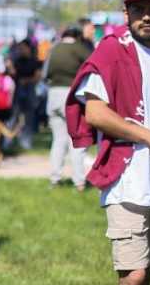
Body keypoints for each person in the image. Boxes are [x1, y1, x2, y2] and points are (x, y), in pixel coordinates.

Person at [66, 0, 150, 285]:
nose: (146, 16)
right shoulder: (111, 51)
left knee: (147, 273)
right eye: (138, 9)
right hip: (128, 178)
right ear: (126, 13)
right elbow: (95, 113)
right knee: (133, 276)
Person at [44, 26, 92, 191]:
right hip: (71, 94)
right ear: (78, 37)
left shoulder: (54, 48)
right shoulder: (78, 48)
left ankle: (54, 179)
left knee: (58, 139)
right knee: (77, 139)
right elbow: (93, 65)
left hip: (53, 95)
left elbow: (45, 74)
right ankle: (79, 181)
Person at [11, 39, 42, 149]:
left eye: (23, 48)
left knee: (29, 117)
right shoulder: (16, 61)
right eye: (19, 48)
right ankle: (8, 140)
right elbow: (13, 75)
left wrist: (26, 81)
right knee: (14, 116)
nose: (21, 50)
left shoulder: (35, 61)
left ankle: (26, 142)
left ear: (29, 48)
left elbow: (37, 77)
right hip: (18, 91)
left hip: (30, 91)